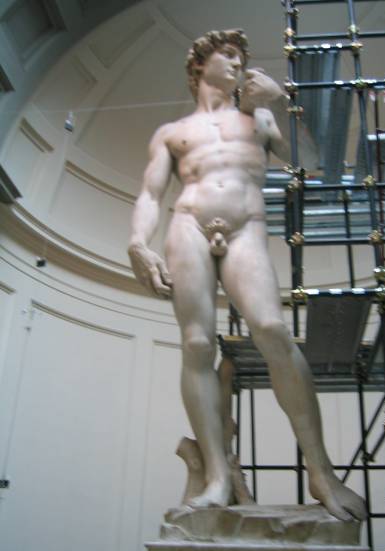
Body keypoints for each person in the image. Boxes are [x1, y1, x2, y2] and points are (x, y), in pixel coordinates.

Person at [128, 29, 366, 521]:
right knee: (197, 344)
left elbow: (311, 162)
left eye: (241, 58)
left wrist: (278, 103)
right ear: (201, 64)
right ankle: (217, 477)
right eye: (229, 55)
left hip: (246, 227)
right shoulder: (172, 132)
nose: (238, 64)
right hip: (188, 225)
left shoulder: (258, 118)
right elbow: (151, 194)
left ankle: (321, 473)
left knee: (272, 330)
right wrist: (137, 243)